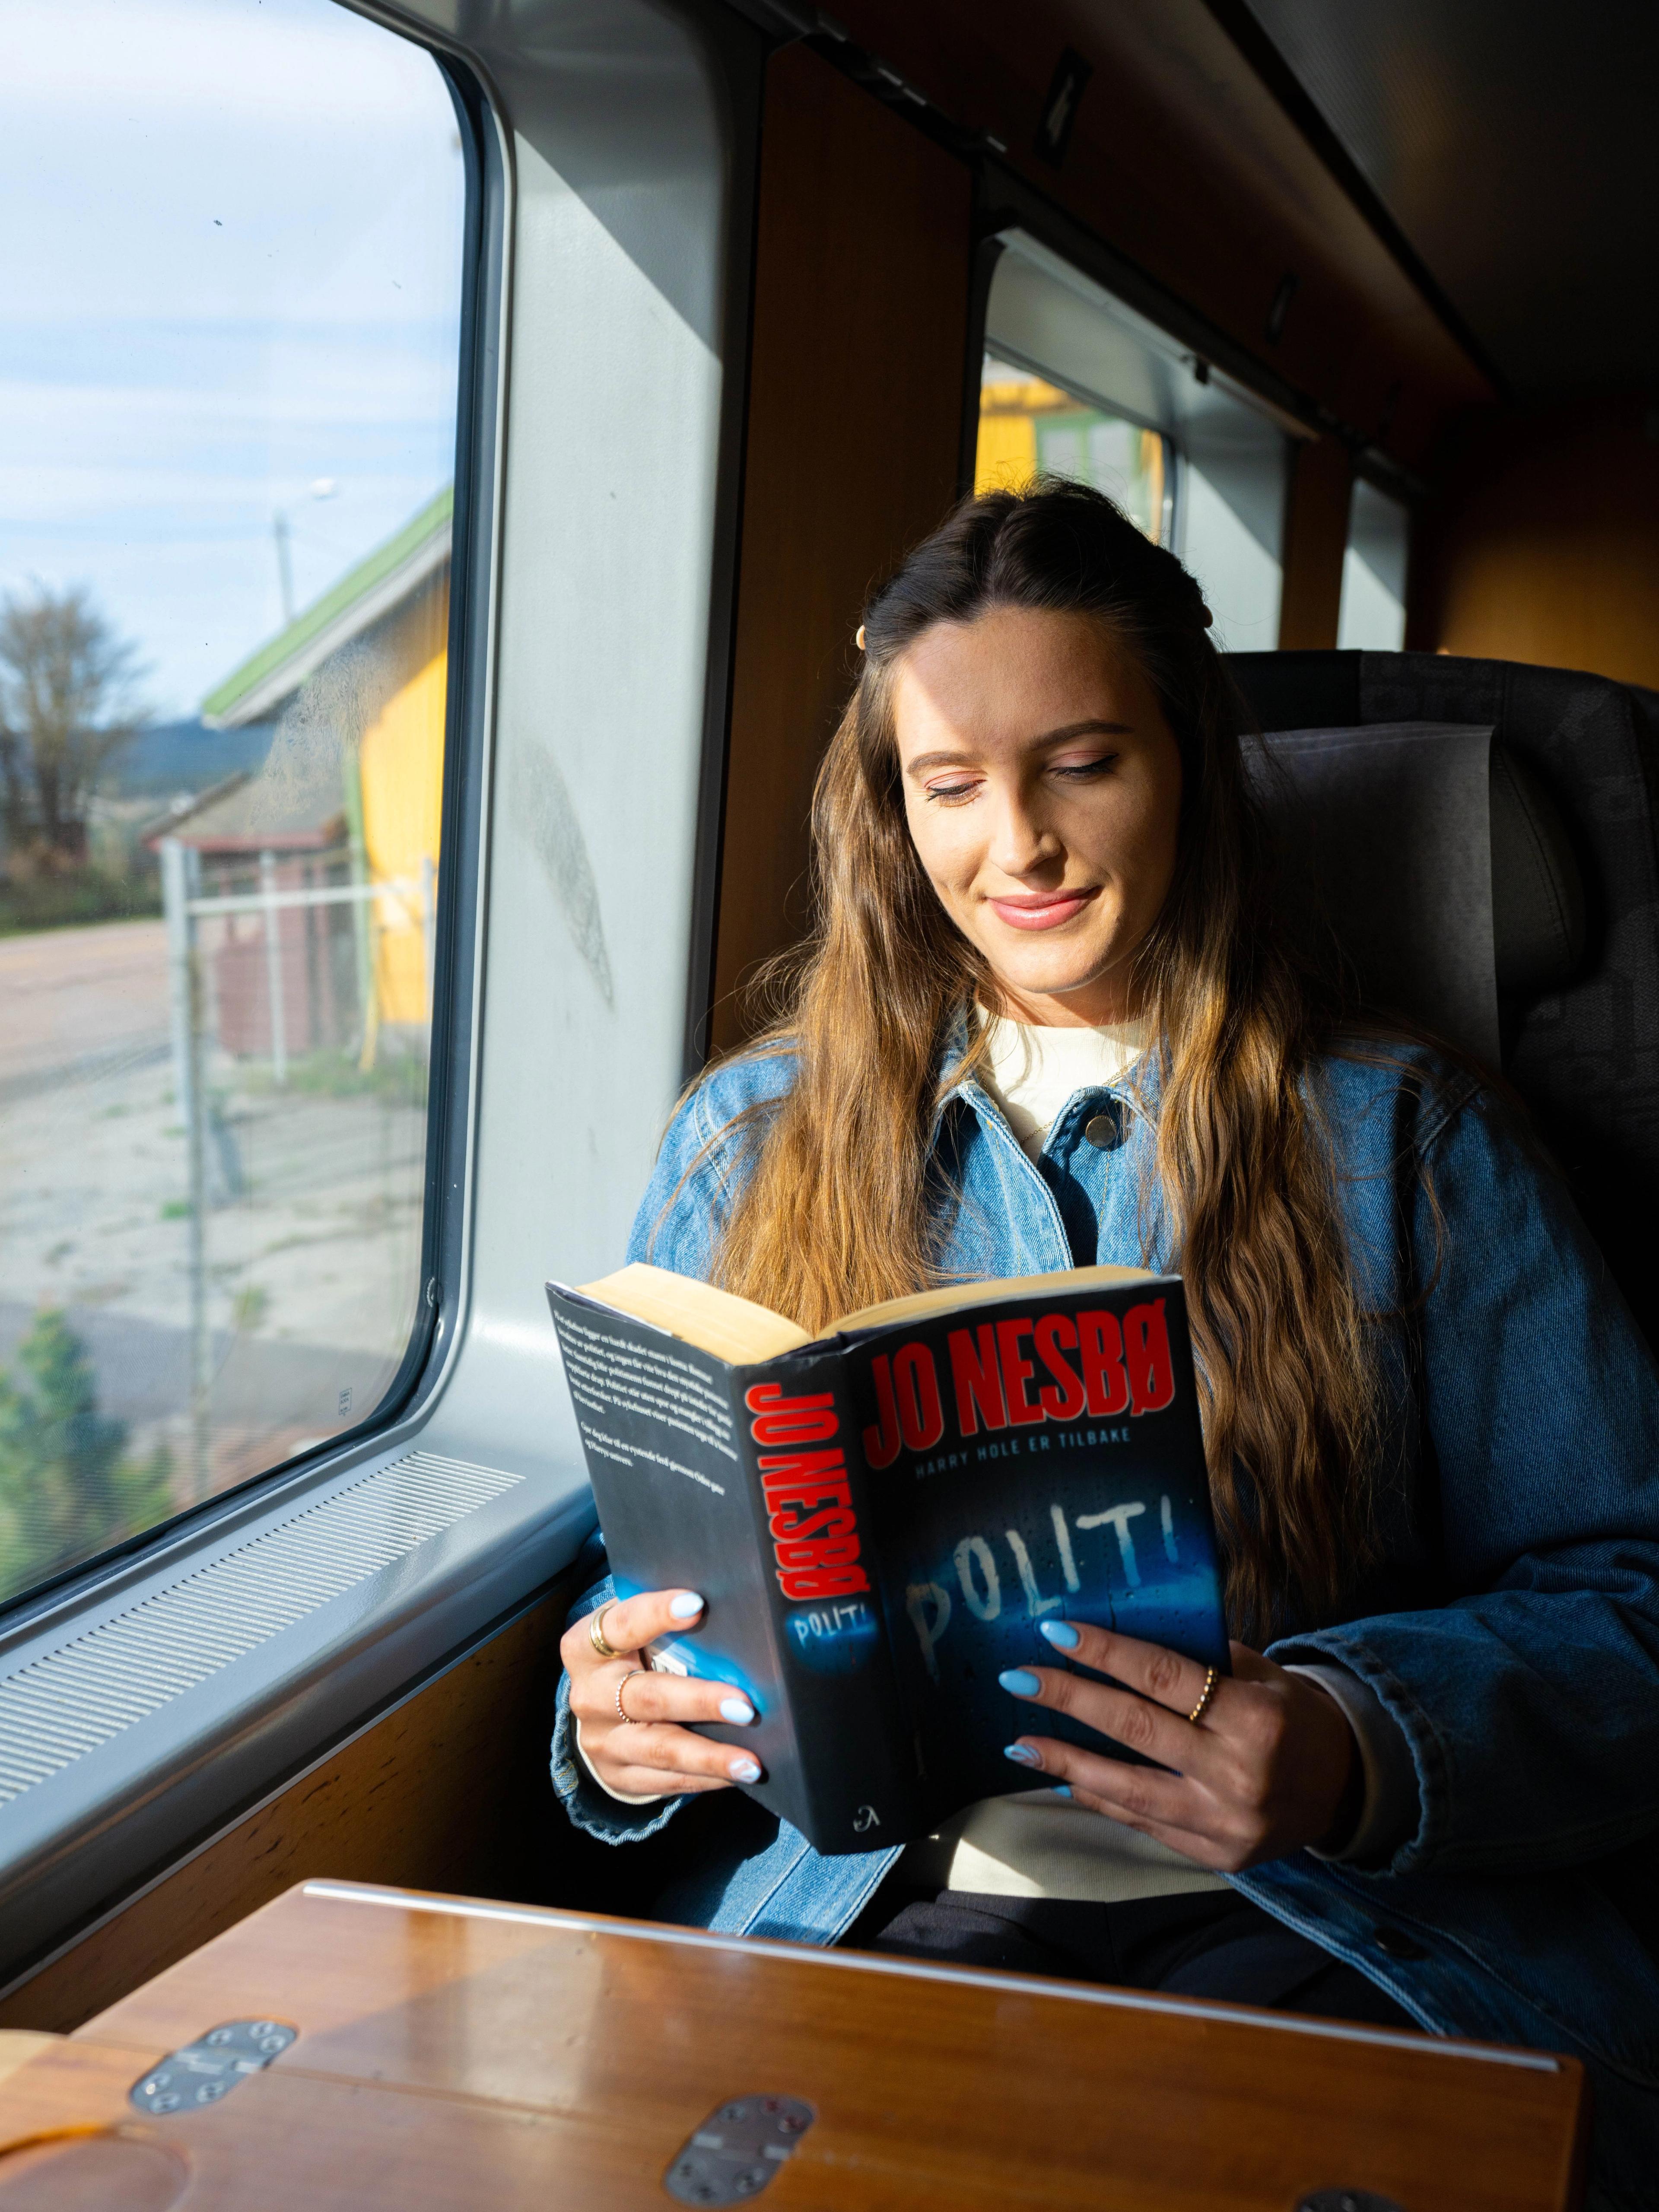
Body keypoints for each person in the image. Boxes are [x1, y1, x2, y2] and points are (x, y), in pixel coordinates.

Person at [553, 481, 1659, 2206]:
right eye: (952, 786)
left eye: (1081, 762)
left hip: (1324, 1935)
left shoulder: (1407, 1141)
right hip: (880, 1922)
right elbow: (636, 1576)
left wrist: (1354, 1739)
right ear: (890, 811)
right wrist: (616, 1717)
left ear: (1188, 768)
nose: (1021, 845)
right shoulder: (741, 1147)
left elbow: (1637, 1597)